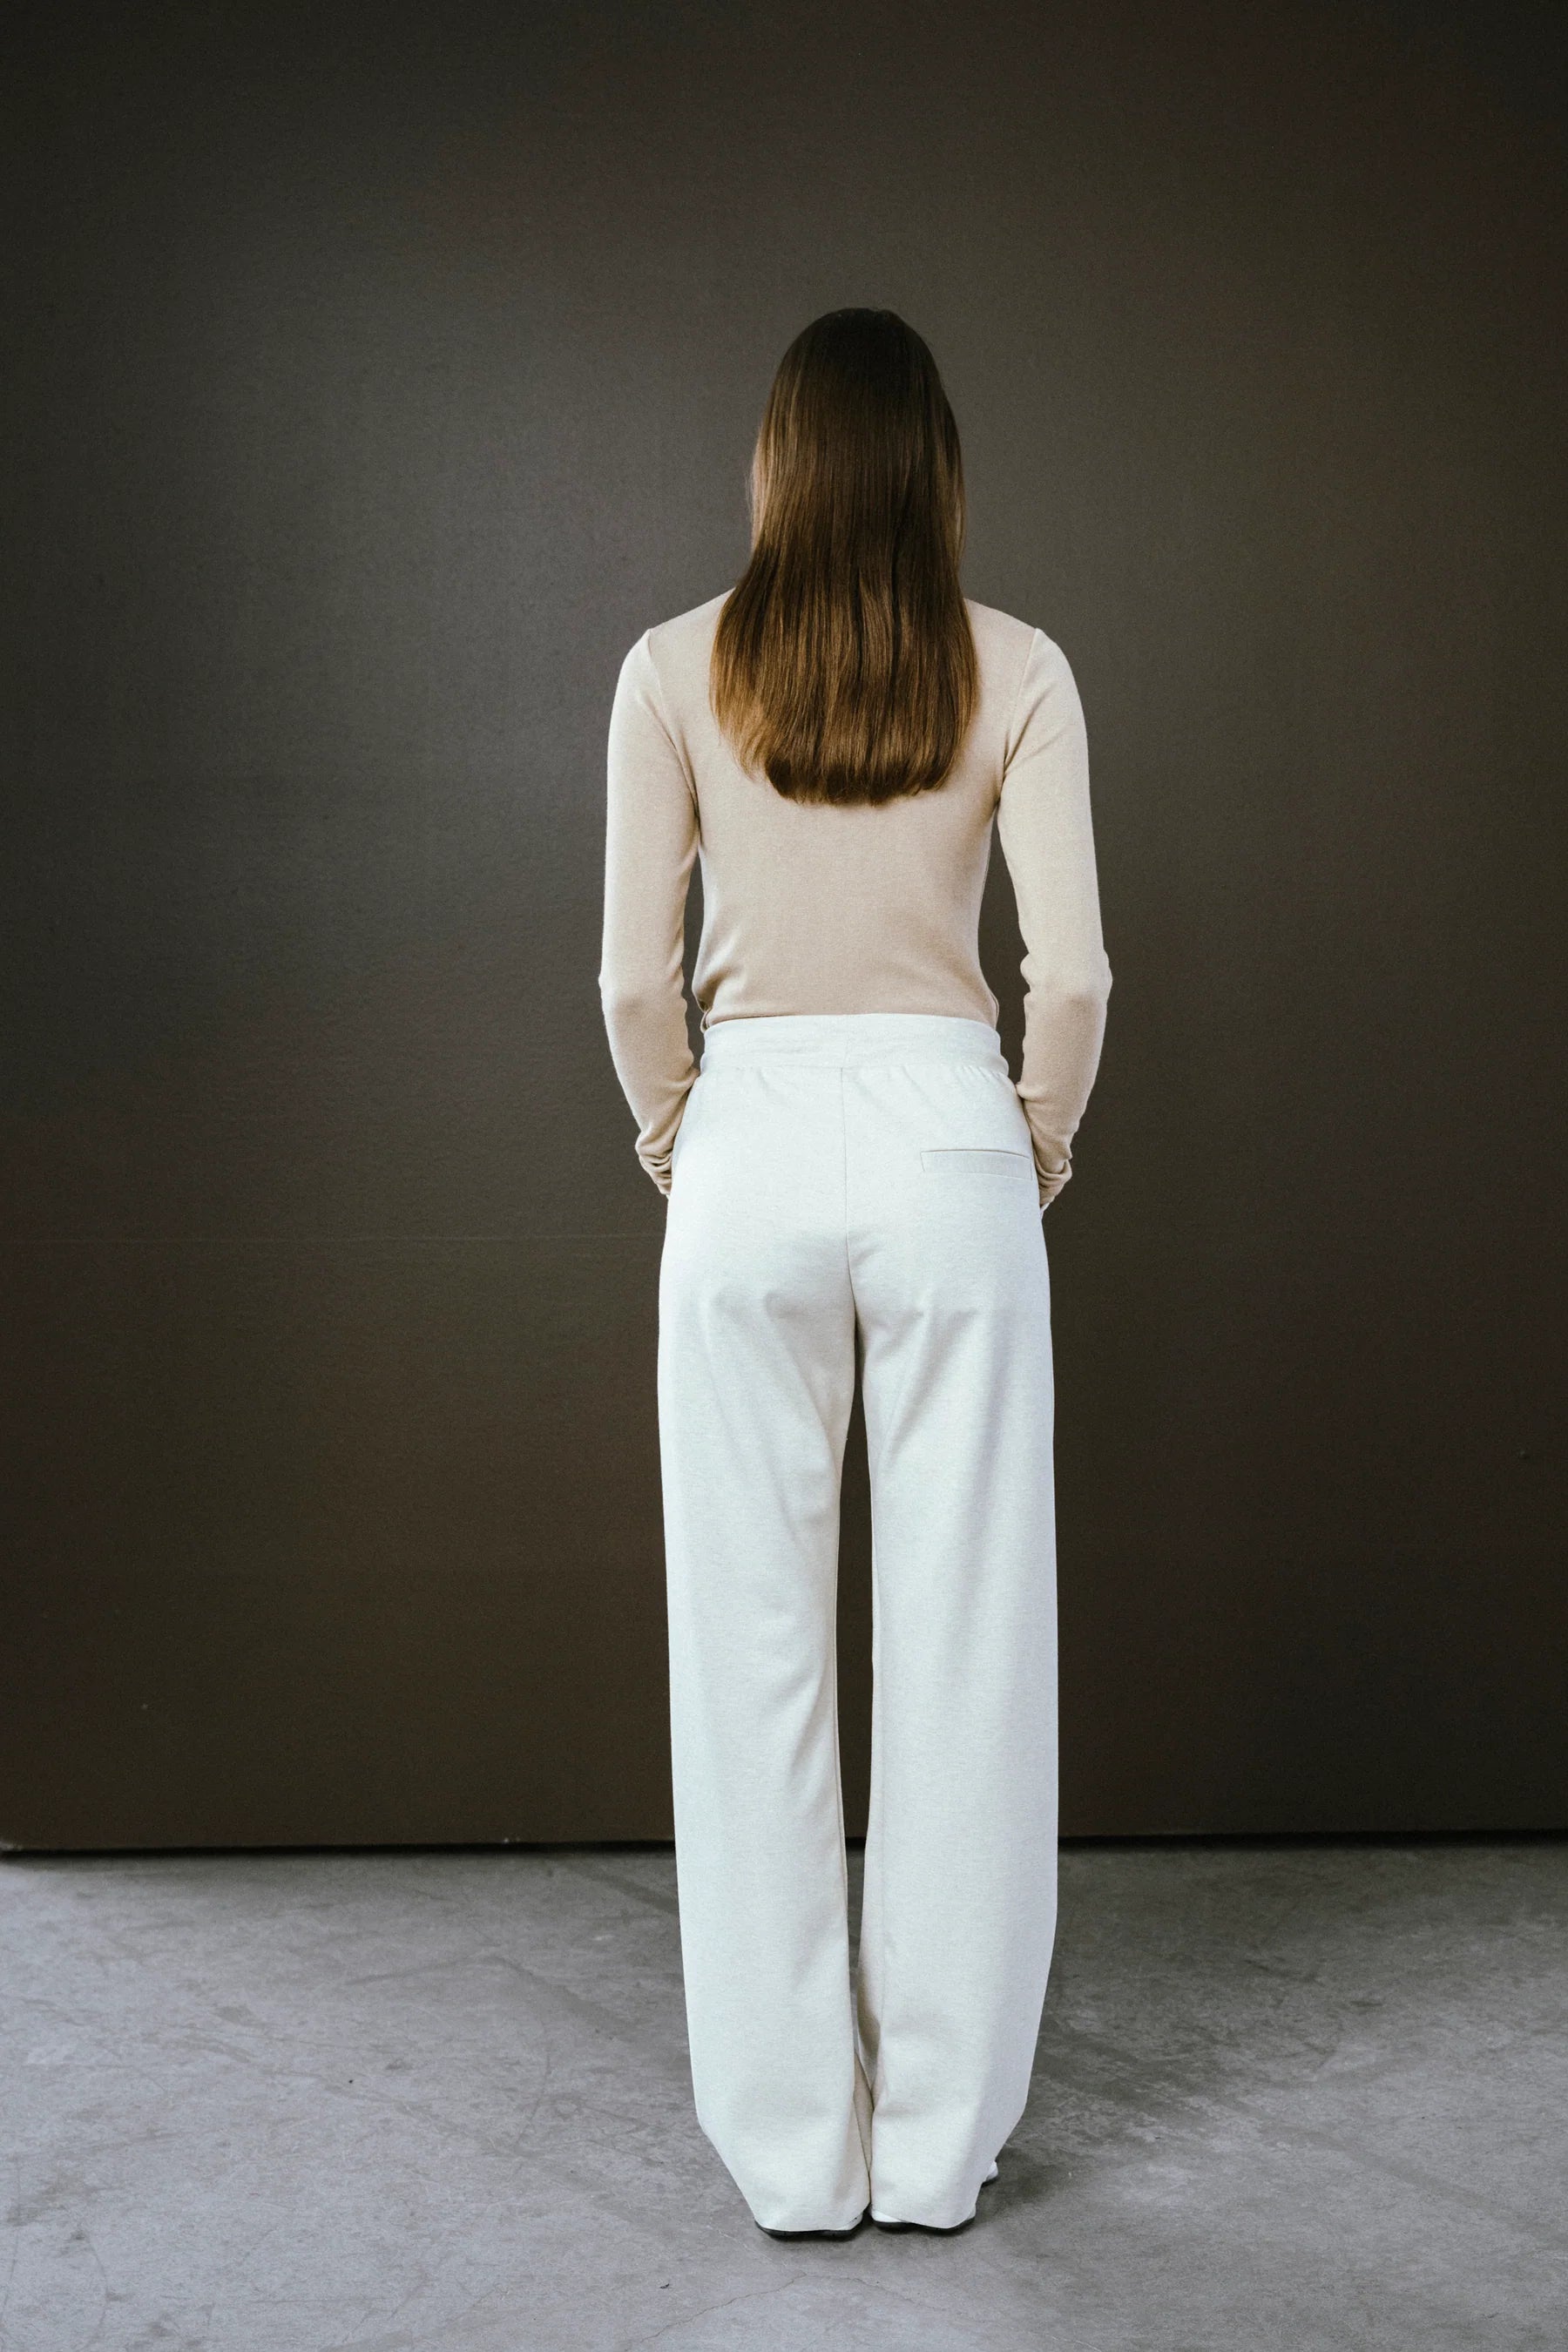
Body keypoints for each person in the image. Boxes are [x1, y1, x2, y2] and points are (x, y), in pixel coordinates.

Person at [598, 308, 1112, 2239]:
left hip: (747, 1139)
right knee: (967, 1648)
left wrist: (685, 1141)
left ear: (776, 465)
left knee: (748, 1657)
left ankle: (793, 2153)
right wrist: (1028, 1144)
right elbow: (1074, 979)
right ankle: (939, 2147)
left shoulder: (670, 669)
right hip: (947, 1135)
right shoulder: (1022, 669)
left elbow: (634, 983)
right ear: (936, 469)